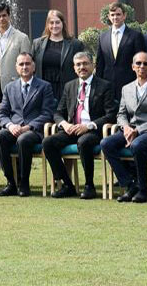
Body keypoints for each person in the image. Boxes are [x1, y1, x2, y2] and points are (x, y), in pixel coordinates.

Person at [43, 49, 116, 199]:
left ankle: (89, 185)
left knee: (83, 142)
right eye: (78, 65)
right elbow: (58, 113)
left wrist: (88, 126)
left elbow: (111, 115)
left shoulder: (104, 85)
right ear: (74, 68)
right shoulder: (70, 86)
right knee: (48, 142)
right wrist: (64, 124)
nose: (82, 67)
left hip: (93, 131)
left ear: (93, 65)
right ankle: (67, 185)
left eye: (85, 64)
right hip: (72, 129)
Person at [100, 51, 147, 203]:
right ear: (132, 67)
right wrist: (126, 127)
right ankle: (130, 185)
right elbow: (121, 113)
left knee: (137, 145)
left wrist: (138, 130)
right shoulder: (126, 88)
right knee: (106, 143)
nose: (142, 66)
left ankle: (144, 190)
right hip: (129, 129)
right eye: (138, 63)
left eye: (146, 63)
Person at [0, 51, 53, 196]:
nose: (24, 67)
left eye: (27, 64)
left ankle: (24, 182)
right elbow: (1, 114)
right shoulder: (9, 87)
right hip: (14, 128)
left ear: (33, 66)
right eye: (21, 64)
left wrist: (28, 127)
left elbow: (47, 113)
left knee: (24, 139)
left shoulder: (44, 86)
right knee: (0, 136)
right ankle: (11, 183)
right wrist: (10, 125)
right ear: (16, 67)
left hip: (34, 130)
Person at [93, 2, 145, 93]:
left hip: (130, 84)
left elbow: (141, 62)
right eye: (112, 15)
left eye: (118, 14)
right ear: (109, 17)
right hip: (108, 86)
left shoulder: (135, 36)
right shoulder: (102, 37)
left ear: (124, 16)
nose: (115, 17)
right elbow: (100, 63)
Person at [31, 9, 80, 97]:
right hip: (42, 91)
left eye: (57, 22)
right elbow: (32, 68)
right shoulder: (37, 43)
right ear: (47, 25)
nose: (54, 26)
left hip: (66, 91)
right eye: (51, 23)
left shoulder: (75, 44)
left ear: (63, 24)